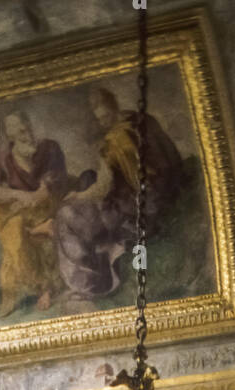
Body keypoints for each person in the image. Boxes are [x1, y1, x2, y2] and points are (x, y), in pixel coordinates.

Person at [52, 86, 182, 300]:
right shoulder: (141, 120)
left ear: (111, 110)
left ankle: (88, 281)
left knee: (66, 216)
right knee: (87, 175)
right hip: (166, 192)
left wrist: (77, 197)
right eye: (100, 119)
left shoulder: (113, 141)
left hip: (137, 212)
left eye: (104, 118)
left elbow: (103, 187)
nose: (103, 123)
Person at [0, 112, 69, 316]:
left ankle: (47, 288)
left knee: (29, 228)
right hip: (24, 210)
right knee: (12, 229)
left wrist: (29, 199)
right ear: (10, 136)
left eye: (26, 126)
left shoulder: (49, 149)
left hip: (48, 205)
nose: (24, 132)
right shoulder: (3, 157)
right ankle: (37, 286)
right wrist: (17, 194)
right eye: (18, 130)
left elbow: (45, 193)